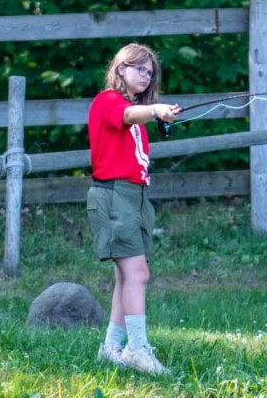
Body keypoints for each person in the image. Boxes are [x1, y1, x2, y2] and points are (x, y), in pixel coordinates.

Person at [87, 43, 180, 375]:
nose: (146, 75)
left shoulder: (136, 111)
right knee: (138, 274)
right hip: (115, 195)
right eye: (139, 68)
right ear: (121, 67)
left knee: (126, 276)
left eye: (150, 72)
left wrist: (154, 113)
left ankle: (111, 348)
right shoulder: (108, 101)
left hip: (136, 197)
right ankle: (138, 349)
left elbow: (134, 117)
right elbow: (126, 115)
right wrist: (156, 110)